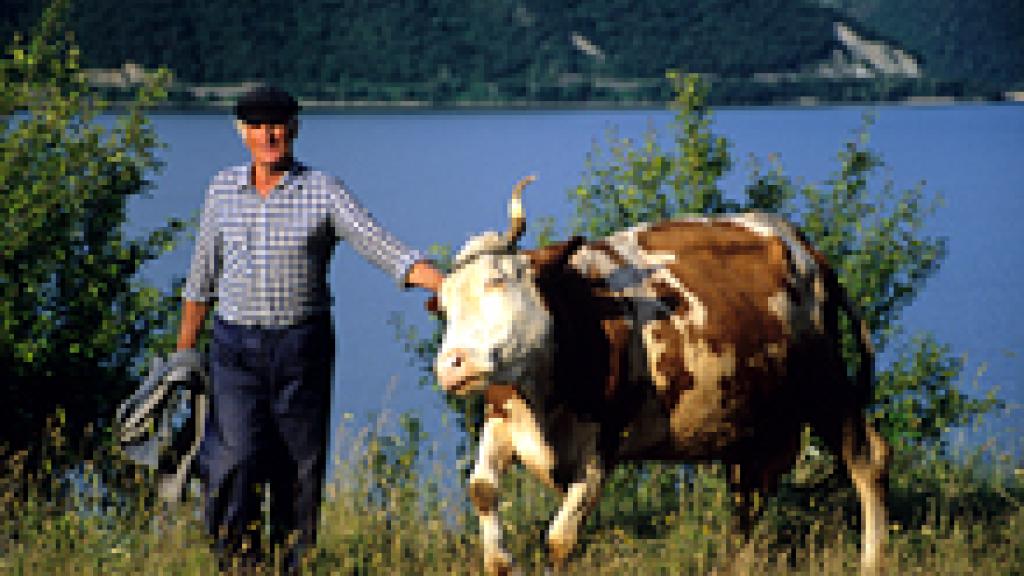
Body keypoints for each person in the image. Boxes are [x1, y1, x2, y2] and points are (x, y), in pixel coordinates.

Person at [176, 85, 443, 573]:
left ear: (295, 128)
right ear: (242, 133)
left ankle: (292, 565)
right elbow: (200, 279)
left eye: (277, 124)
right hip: (234, 346)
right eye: (257, 125)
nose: (268, 134)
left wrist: (447, 285)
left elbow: (379, 245)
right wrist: (182, 357)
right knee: (233, 458)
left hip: (302, 347)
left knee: (297, 466)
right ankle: (238, 562)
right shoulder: (221, 190)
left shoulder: (323, 190)